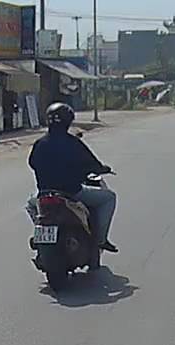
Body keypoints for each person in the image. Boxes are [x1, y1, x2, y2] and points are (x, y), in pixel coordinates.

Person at [26, 103, 118, 252]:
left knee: (30, 204)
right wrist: (103, 169)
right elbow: (93, 164)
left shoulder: (40, 144)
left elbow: (32, 163)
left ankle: (40, 229)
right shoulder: (73, 143)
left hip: (44, 194)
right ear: (68, 121)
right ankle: (101, 240)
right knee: (109, 198)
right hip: (73, 193)